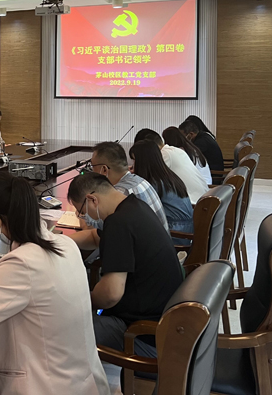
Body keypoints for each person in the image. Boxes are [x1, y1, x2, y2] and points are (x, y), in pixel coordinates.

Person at [0, 174, 108, 395]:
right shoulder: (66, 244)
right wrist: (2, 279)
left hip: (47, 387)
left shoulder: (21, 263)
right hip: (82, 381)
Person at [67, 173, 184, 358]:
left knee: (64, 327)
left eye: (82, 211)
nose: (85, 217)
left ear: (92, 200)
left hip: (143, 333)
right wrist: (60, 241)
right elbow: (95, 237)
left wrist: (82, 301)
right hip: (166, 320)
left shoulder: (118, 223)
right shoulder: (135, 207)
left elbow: (110, 294)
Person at [85, 142, 168, 231]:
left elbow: (97, 227)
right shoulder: (139, 180)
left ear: (104, 169)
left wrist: (83, 211)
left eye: (93, 166)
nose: (91, 170)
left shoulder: (122, 193)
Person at [129, 140, 194, 241]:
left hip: (175, 234)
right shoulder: (166, 176)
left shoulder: (153, 183)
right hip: (184, 230)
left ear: (142, 162)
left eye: (134, 160)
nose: (133, 164)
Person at [133, 129, 208, 203]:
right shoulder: (176, 150)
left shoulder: (164, 154)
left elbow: (149, 179)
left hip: (194, 203)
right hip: (204, 198)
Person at [180, 119, 225, 184]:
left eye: (183, 136)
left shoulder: (201, 142)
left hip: (214, 175)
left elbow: (188, 156)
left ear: (191, 134)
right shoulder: (204, 136)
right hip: (212, 172)